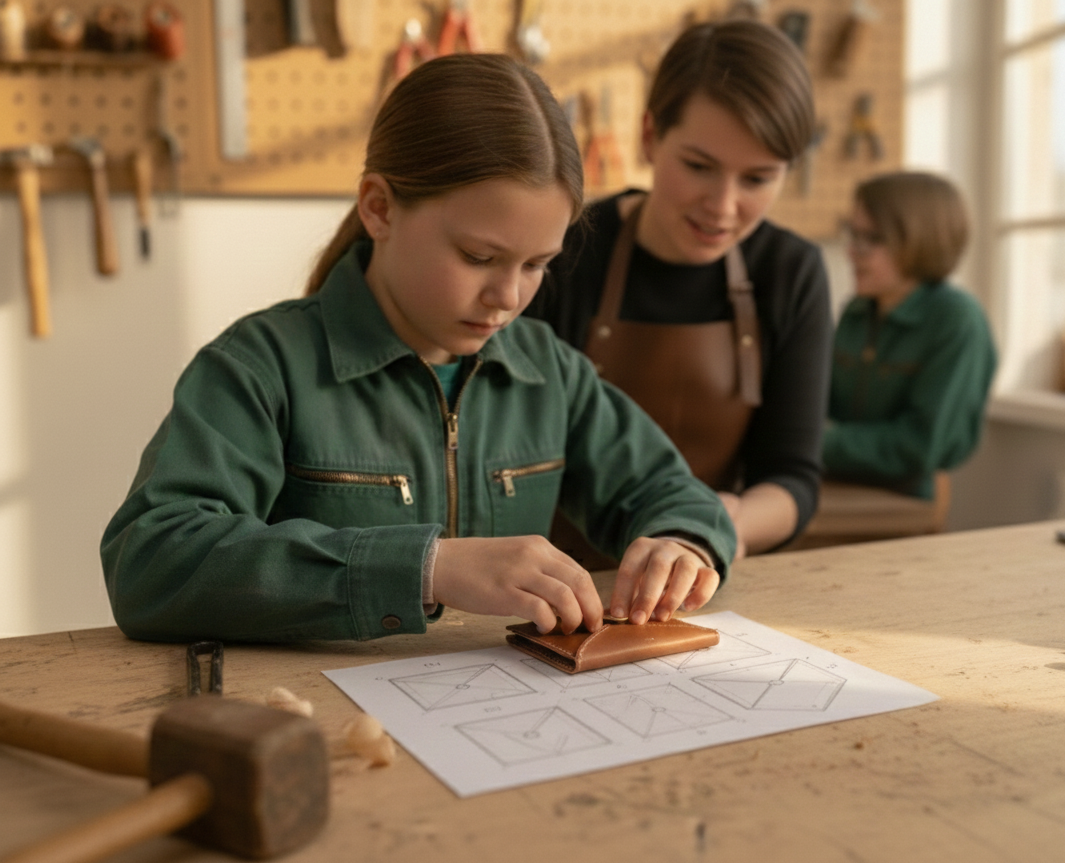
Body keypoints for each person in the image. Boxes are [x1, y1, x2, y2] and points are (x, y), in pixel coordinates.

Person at [100, 54, 735, 644]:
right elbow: (152, 561)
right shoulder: (260, 367)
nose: (507, 296)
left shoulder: (549, 373)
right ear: (379, 208)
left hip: (503, 729)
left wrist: (683, 543)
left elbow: (677, 495)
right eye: (478, 257)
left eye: (538, 263)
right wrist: (426, 566)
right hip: (324, 726)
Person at [525, 20, 832, 559]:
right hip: (555, 581)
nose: (723, 205)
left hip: (704, 575)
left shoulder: (791, 271)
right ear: (649, 137)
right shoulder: (562, 254)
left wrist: (710, 530)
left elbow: (793, 478)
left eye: (757, 179)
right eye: (698, 166)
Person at [823, 171, 996, 498]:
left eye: (871, 239)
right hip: (831, 481)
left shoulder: (957, 319)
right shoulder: (857, 311)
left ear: (921, 239)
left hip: (904, 499)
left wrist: (813, 442)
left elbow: (920, 447)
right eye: (852, 234)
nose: (851, 252)